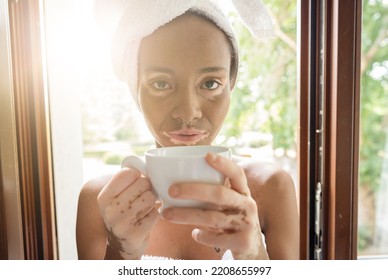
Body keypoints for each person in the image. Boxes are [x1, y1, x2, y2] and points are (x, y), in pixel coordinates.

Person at [76, 0, 299, 260]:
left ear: (232, 84)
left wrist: (252, 255)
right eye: (161, 84)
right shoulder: (100, 201)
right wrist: (121, 251)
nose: (188, 112)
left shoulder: (271, 188)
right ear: (135, 87)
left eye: (211, 83)